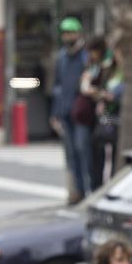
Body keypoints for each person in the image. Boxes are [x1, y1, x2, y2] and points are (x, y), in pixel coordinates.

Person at [50, 17, 94, 203]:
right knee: (71, 154)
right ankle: (77, 191)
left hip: (81, 114)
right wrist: (55, 113)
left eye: (70, 32)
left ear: (78, 34)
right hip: (65, 112)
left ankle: (90, 189)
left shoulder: (86, 57)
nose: (67, 36)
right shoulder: (61, 57)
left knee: (83, 150)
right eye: (64, 33)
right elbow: (58, 87)